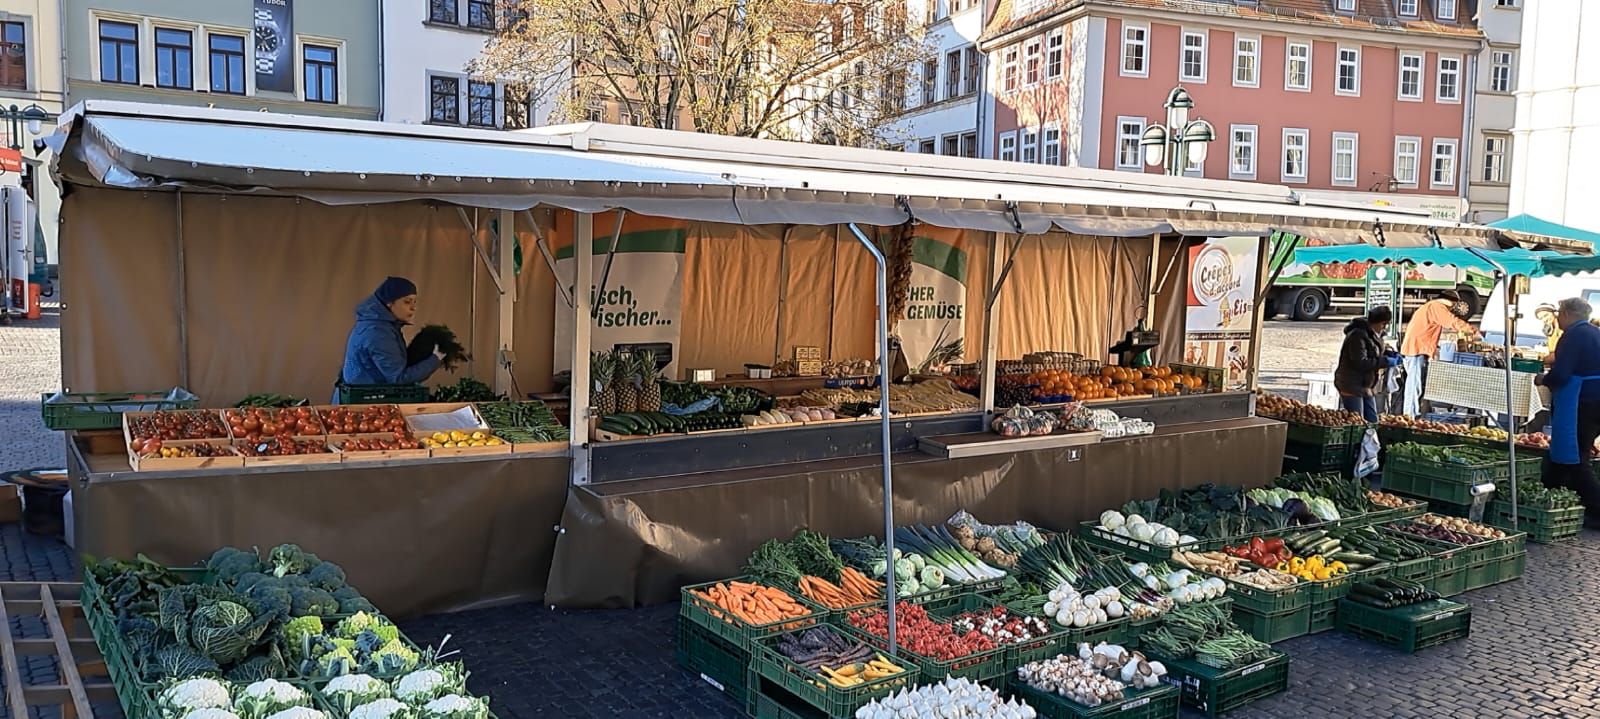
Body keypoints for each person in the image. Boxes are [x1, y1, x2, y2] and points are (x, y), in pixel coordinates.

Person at [1535, 297, 1600, 525]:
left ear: (1567, 314)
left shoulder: (1573, 336)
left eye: (1560, 313)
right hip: (1595, 399)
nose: (1558, 317)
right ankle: (1547, 492)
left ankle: (1596, 508)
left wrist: (1544, 378)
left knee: (1577, 456)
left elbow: (1562, 373)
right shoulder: (1595, 332)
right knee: (1566, 454)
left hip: (1584, 400)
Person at [335, 277, 442, 402]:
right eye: (407, 302)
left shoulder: (381, 325)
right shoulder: (377, 332)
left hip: (364, 400)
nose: (413, 308)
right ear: (389, 303)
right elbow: (398, 378)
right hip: (362, 405)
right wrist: (436, 358)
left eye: (414, 302)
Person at [1399, 289, 1481, 416]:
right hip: (1416, 350)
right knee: (1414, 387)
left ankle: (1413, 415)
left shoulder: (1430, 306)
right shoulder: (1436, 307)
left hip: (1417, 349)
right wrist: (1473, 331)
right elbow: (1452, 321)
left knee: (1416, 386)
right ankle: (1410, 417)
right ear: (1451, 302)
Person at [1335, 306, 1400, 422]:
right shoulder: (1357, 336)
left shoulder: (1372, 334)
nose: (1384, 327)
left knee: (1372, 421)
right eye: (1383, 324)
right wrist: (1385, 361)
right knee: (1357, 421)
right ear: (1375, 322)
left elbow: (1374, 351)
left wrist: (1389, 354)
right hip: (1351, 384)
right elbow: (1361, 362)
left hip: (1365, 385)